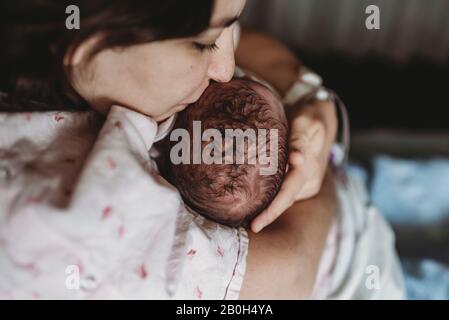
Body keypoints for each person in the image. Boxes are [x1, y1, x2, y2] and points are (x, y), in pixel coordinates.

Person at [0, 0, 339, 299]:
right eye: (203, 44)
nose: (226, 70)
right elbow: (292, 277)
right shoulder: (77, 228)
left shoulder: (127, 60)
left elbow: (235, 32)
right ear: (88, 42)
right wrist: (319, 165)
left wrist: (310, 96)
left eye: (228, 26)